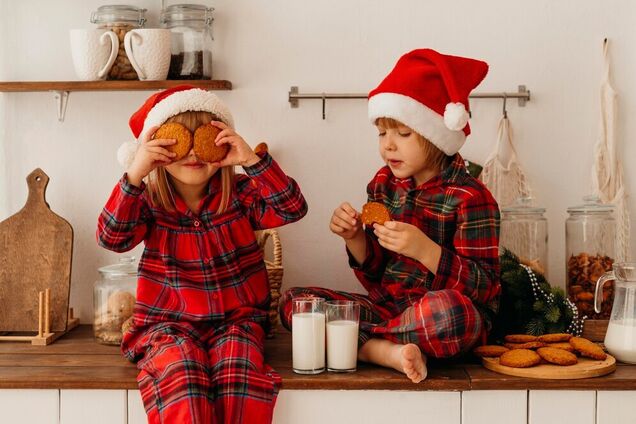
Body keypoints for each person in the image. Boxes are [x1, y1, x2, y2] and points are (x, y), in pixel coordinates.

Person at [279, 49, 500, 383]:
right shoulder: (383, 185)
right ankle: (386, 351)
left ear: (435, 134)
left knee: (448, 316)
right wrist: (354, 238)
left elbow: (485, 288)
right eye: (382, 133)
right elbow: (377, 274)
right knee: (295, 305)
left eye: (403, 134)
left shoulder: (471, 197)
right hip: (391, 307)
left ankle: (361, 344)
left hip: (439, 316)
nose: (388, 146)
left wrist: (426, 251)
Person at [97, 85, 308, 424]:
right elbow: (111, 237)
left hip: (236, 324)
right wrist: (135, 173)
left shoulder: (240, 195)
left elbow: (292, 207)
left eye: (204, 138)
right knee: (183, 383)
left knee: (240, 381)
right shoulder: (148, 201)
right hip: (167, 327)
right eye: (180, 141)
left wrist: (252, 161)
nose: (193, 152)